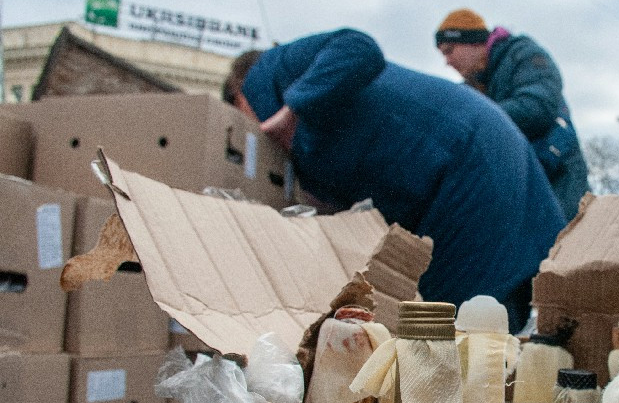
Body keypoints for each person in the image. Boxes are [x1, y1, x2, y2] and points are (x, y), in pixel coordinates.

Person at [223, 28, 566, 334]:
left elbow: (358, 46)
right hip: (469, 163)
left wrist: (289, 111)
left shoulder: (272, 70)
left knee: (444, 331)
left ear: (241, 95)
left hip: (469, 162)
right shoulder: (306, 142)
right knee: (473, 324)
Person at [434, 8, 590, 222]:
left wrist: (475, 118)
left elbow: (537, 106)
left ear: (473, 42)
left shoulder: (523, 55)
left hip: (559, 177)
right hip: (519, 184)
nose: (447, 61)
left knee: (566, 246)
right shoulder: (471, 89)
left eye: (449, 50)